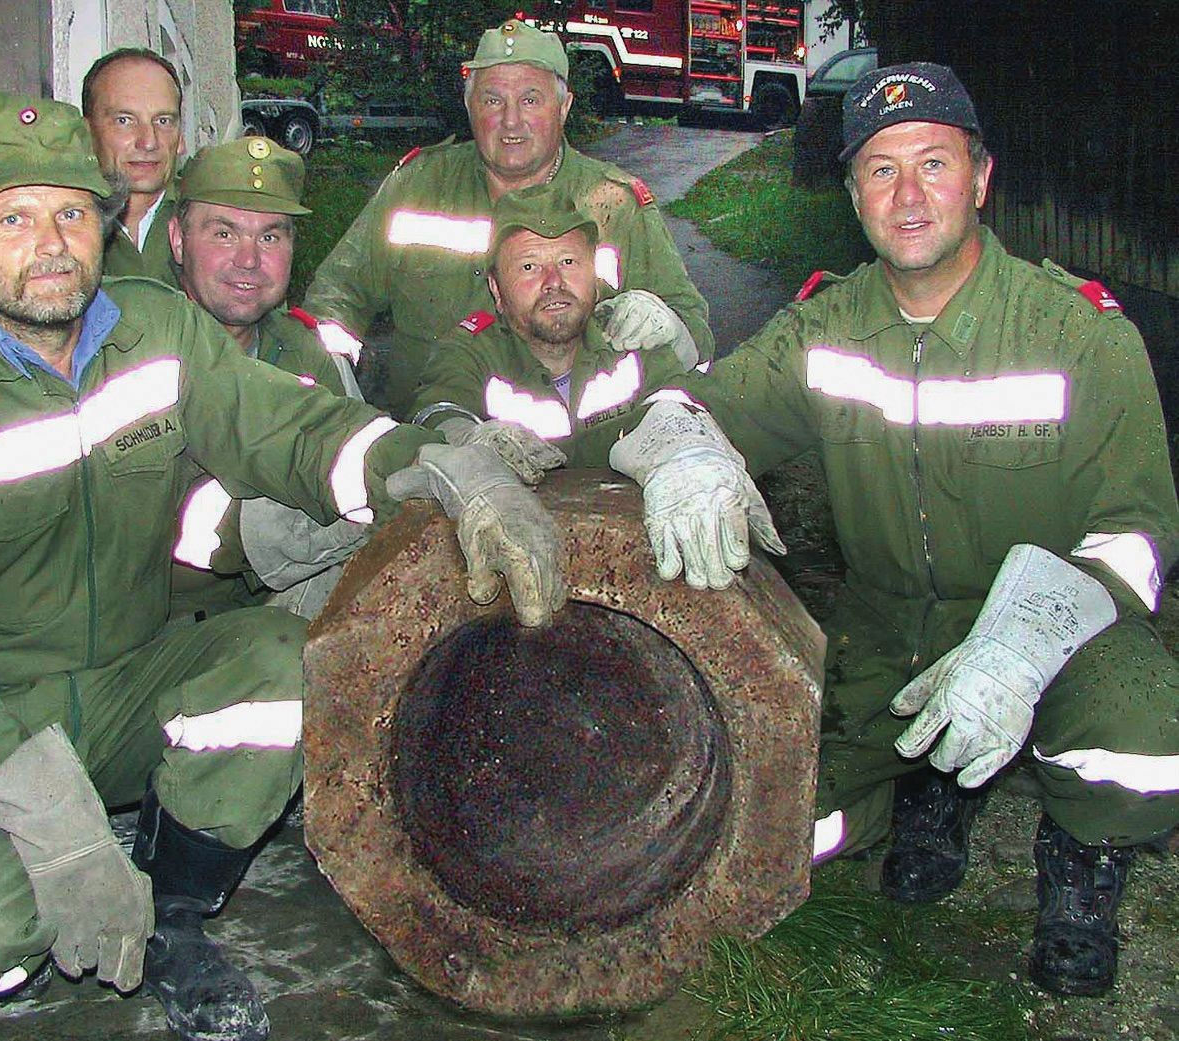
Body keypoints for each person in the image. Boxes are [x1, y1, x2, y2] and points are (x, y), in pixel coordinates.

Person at [0, 93, 565, 1041]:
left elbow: (294, 431)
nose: (51, 242)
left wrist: (445, 468)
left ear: (103, 228)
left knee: (292, 659)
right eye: (13, 217)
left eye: (72, 213)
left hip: (139, 678)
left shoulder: (159, 334)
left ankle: (175, 912)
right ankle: (56, 879)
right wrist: (59, 836)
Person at [604, 62, 1179, 996]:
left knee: (1145, 721)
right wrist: (685, 447)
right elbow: (687, 401)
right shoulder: (825, 326)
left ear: (982, 178)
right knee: (775, 835)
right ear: (853, 194)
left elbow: (1138, 535)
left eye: (934, 164)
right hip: (881, 631)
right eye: (880, 169)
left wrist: (1022, 644)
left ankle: (1081, 866)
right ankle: (929, 791)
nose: (908, 196)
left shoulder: (1082, 334)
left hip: (1053, 627)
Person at [303, 18, 712, 418]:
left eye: (530, 100)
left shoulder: (613, 204)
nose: (511, 121)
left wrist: (669, 326)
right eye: (493, 100)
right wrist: (333, 376)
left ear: (564, 107)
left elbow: (695, 336)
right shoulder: (416, 188)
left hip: (581, 454)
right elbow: (338, 293)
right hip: (428, 440)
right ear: (469, 106)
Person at [165, 135, 370, 622]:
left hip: (279, 610)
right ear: (178, 239)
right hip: (161, 629)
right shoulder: (138, 354)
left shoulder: (308, 354)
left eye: (271, 236)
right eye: (223, 233)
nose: (249, 259)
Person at [409, 187, 689, 473]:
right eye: (529, 266)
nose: (553, 282)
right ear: (496, 288)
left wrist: (696, 452)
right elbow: (439, 409)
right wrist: (465, 439)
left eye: (568, 261)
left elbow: (685, 401)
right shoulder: (473, 350)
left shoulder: (629, 335)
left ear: (594, 275)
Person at [84, 47, 184, 283]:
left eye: (163, 121)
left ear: (181, 138)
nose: (148, 142)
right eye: (124, 121)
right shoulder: (60, 228)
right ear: (86, 134)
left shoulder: (210, 221)